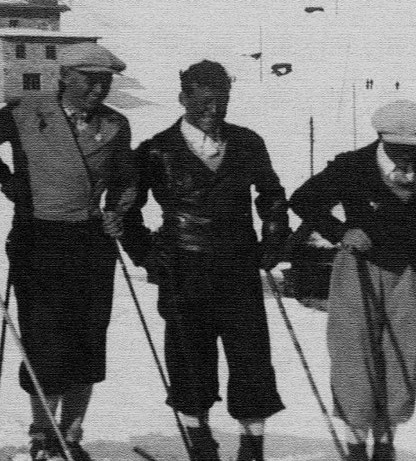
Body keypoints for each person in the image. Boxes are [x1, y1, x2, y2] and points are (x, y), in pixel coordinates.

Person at [290, 99, 416, 460]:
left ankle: (386, 438)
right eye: (403, 149)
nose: (412, 156)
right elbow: (303, 200)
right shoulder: (353, 165)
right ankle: (355, 439)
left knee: (402, 353)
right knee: (353, 351)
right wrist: (341, 230)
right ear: (383, 139)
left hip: (409, 270)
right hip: (359, 267)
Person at [0, 42, 136, 461]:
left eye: (106, 82)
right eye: (91, 81)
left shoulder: (116, 124)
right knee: (45, 342)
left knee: (88, 340)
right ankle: (43, 434)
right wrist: (6, 181)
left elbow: (125, 180)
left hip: (91, 241)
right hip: (38, 238)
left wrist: (117, 211)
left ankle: (73, 431)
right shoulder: (27, 111)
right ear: (64, 77)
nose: (100, 90)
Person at [120, 60, 289, 461]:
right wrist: (146, 255)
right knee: (189, 360)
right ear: (184, 99)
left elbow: (271, 193)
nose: (215, 112)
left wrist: (275, 233)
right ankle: (200, 442)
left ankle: (252, 447)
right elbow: (127, 210)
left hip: (238, 268)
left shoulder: (248, 143)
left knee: (251, 360)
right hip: (182, 270)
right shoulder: (156, 150)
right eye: (206, 103)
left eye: (223, 102)